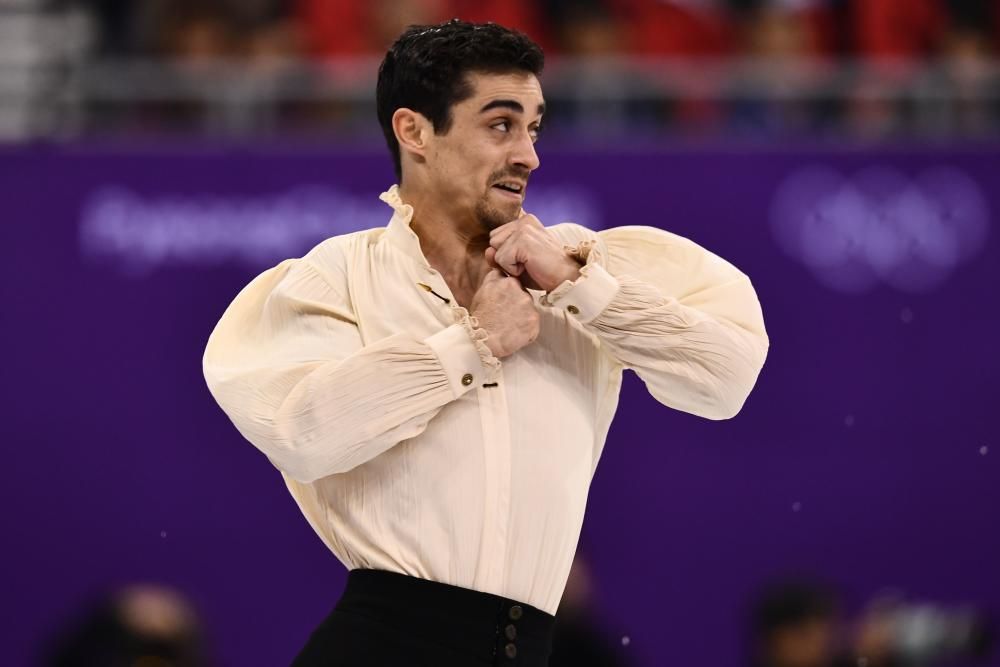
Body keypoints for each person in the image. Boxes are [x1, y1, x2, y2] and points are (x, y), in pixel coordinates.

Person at [202, 19, 768, 667]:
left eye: (534, 126)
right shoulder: (335, 279)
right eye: (501, 124)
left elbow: (727, 378)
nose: (528, 153)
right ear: (415, 131)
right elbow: (304, 434)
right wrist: (466, 347)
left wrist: (581, 288)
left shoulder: (581, 267)